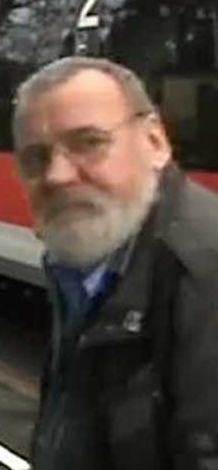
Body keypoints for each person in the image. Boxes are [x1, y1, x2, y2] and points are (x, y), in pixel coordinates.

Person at [12, 56, 218, 470]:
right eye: (35, 158)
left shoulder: (204, 274)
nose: (57, 175)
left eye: (89, 143)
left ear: (155, 142)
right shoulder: (85, 263)